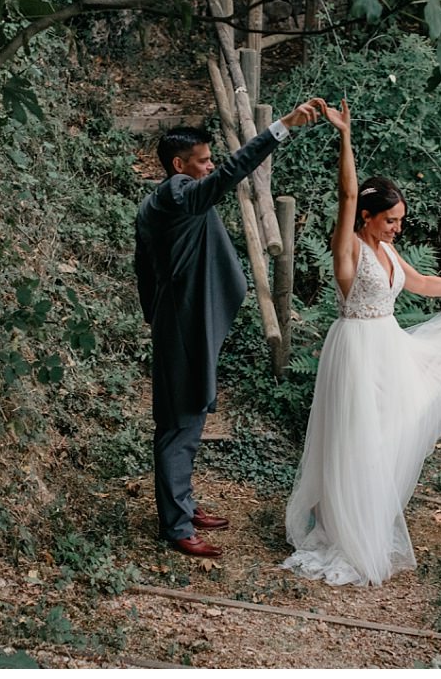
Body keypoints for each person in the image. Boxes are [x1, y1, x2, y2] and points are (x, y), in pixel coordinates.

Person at [282, 99, 441, 586]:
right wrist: (344, 134)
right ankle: (341, 529)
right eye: (390, 221)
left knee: (387, 435)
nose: (396, 228)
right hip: (355, 349)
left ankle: (364, 517)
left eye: (400, 222)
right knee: (354, 436)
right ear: (366, 216)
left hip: (389, 346)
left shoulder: (386, 248)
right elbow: (345, 194)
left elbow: (424, 283)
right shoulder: (348, 249)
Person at [135, 98, 326, 559]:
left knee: (191, 414)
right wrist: (281, 127)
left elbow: (143, 266)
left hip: (178, 319)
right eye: (203, 161)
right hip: (180, 324)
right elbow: (230, 174)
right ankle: (177, 526)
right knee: (179, 423)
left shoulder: (164, 200)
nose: (211, 166)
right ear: (180, 166)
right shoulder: (179, 193)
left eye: (209, 158)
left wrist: (155, 314)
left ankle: (181, 503)